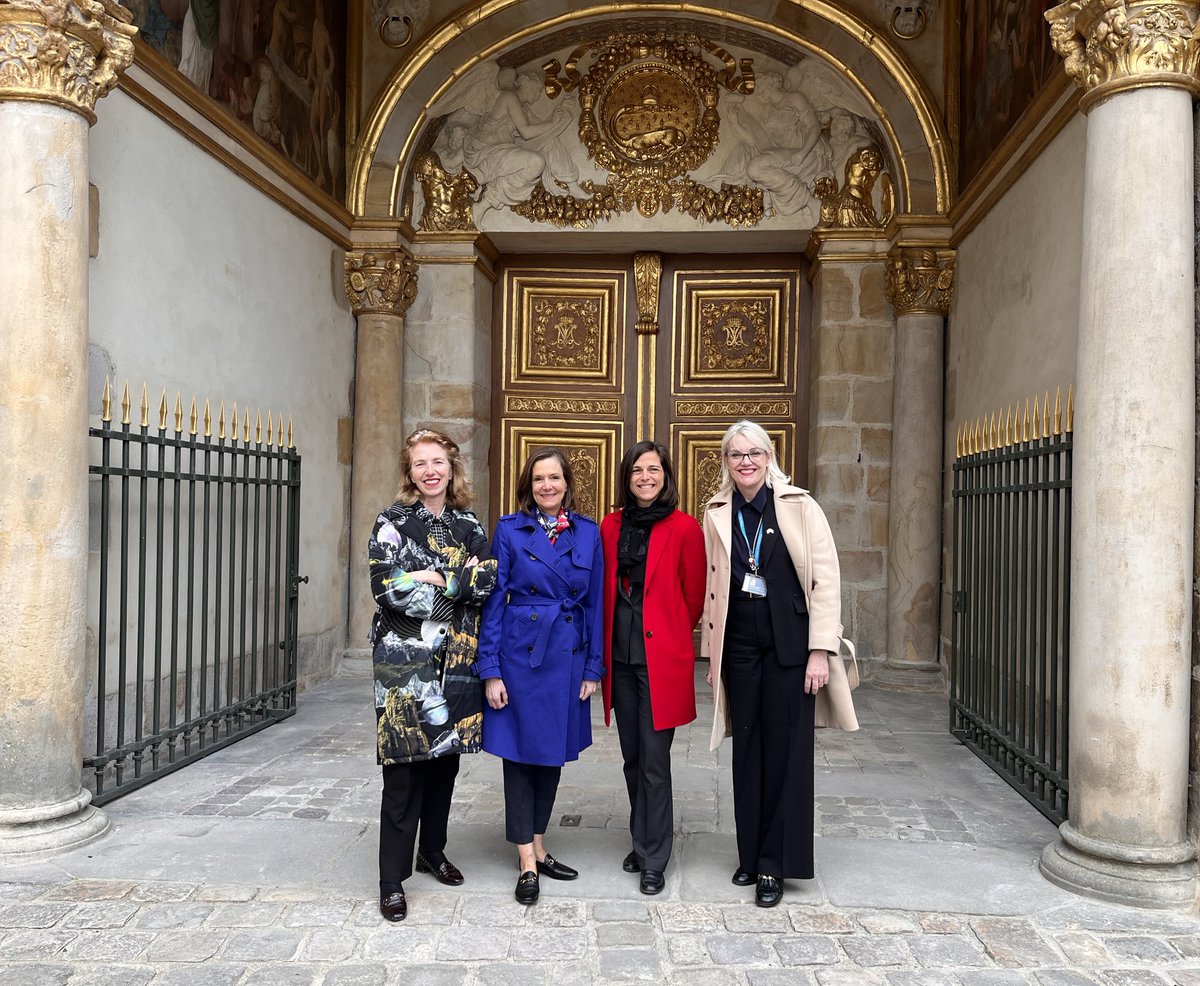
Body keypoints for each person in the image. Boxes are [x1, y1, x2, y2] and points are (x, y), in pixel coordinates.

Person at [701, 420, 858, 908]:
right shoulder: (717, 512)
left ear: (769, 458)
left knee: (786, 753)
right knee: (747, 748)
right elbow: (714, 587)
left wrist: (820, 651)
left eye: (753, 453)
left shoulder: (799, 505)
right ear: (726, 463)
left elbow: (826, 581)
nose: (745, 462)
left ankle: (775, 864)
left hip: (791, 646)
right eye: (735, 455)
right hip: (740, 647)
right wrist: (712, 654)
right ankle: (749, 856)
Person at [368, 429, 497, 922]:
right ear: (410, 472)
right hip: (403, 663)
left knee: (445, 763)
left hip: (458, 662)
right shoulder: (392, 522)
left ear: (452, 467)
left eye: (437, 462)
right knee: (402, 769)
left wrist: (435, 577)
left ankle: (433, 851)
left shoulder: (468, 524)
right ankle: (390, 878)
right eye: (420, 464)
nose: (430, 471)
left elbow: (487, 580)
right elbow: (387, 589)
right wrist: (454, 593)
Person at [477, 448, 604, 905]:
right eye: (538, 479)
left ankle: (540, 842)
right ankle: (526, 860)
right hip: (520, 656)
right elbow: (493, 603)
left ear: (567, 483)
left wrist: (593, 668)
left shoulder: (589, 534)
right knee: (520, 756)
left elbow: (594, 605)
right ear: (528, 486)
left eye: (554, 478)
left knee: (551, 756)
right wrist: (490, 670)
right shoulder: (511, 530)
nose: (546, 486)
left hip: (567, 657)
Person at [600, 441, 705, 895]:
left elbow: (694, 597)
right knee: (632, 757)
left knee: (655, 760)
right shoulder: (610, 526)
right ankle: (644, 836)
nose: (646, 477)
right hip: (619, 659)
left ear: (666, 475)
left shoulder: (685, 528)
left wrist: (671, 632)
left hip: (661, 660)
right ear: (627, 478)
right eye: (637, 470)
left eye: (654, 469)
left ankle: (654, 857)